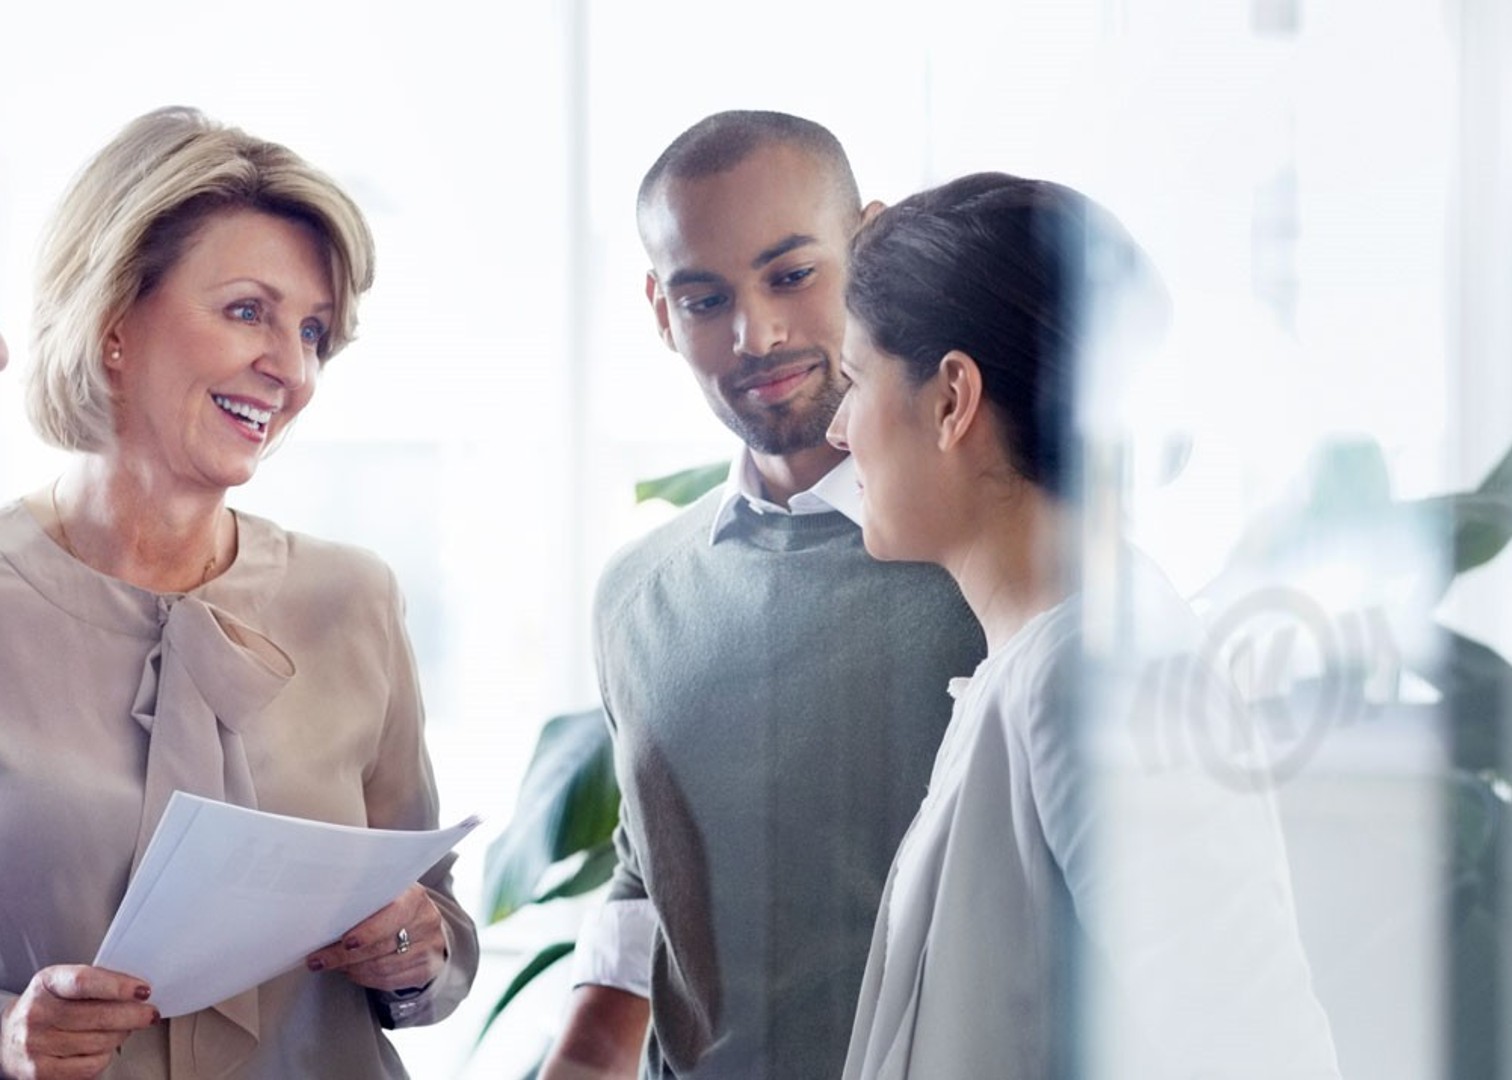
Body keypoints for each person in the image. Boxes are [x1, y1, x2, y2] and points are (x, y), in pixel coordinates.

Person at [827, 173, 1344, 1079]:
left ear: (953, 399)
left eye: (855, 378)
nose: (838, 429)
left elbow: (1253, 1052)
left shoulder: (1094, 674)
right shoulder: (1042, 658)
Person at [0, 106, 477, 1079]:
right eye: (248, 311)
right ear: (114, 318)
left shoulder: (354, 597)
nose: (292, 369)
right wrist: (10, 1034)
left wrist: (419, 946)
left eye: (314, 332)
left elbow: (437, 931)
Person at [540, 112, 984, 1079]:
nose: (758, 334)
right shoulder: (638, 596)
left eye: (791, 275)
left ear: (870, 247)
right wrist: (582, 1057)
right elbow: (645, 867)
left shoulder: (989, 563)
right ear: (662, 313)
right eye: (705, 298)